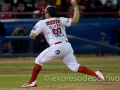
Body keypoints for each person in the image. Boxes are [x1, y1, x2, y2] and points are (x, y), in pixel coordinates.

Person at [22, 0, 105, 88]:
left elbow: (32, 35)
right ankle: (96, 75)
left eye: (45, 13)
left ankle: (32, 81)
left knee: (38, 60)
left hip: (56, 46)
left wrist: (37, 33)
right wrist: (76, 7)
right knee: (75, 67)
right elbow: (75, 21)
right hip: (67, 46)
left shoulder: (42, 22)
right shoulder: (61, 19)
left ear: (47, 14)